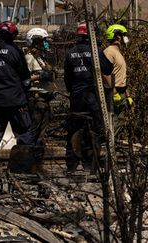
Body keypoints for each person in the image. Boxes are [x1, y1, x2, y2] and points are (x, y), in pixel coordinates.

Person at [0, 21, 33, 174]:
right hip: (15, 101)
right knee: (23, 132)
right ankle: (23, 166)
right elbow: (25, 78)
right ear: (13, 35)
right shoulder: (14, 51)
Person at [63, 22, 113, 173]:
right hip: (92, 97)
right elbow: (108, 68)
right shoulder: (95, 51)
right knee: (95, 130)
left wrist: (73, 91)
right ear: (91, 35)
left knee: (74, 129)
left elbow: (67, 77)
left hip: (76, 98)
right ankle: (90, 163)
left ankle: (71, 164)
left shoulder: (70, 52)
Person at [24, 27, 56, 171]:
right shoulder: (29, 58)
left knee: (41, 137)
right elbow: (23, 79)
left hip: (45, 100)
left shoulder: (41, 58)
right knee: (33, 134)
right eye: (43, 41)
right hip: (36, 100)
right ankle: (28, 165)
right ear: (36, 41)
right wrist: (39, 76)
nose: (46, 43)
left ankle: (37, 165)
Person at [103, 24, 132, 136]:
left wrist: (128, 95)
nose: (126, 38)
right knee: (112, 124)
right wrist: (114, 92)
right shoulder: (109, 52)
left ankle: (112, 145)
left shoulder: (118, 52)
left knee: (120, 122)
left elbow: (122, 76)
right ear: (118, 36)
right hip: (113, 94)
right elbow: (105, 74)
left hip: (121, 93)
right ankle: (108, 147)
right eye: (124, 35)